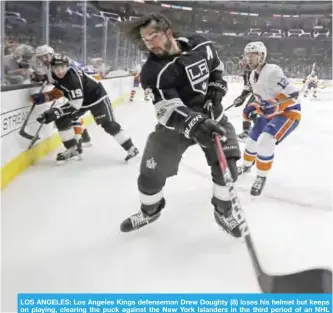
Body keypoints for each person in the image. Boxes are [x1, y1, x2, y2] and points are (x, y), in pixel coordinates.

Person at [120, 14, 241, 237]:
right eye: (146, 40)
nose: (150, 43)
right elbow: (166, 108)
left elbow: (216, 66)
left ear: (168, 32)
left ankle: (223, 212)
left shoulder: (201, 44)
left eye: (153, 36)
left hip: (214, 119)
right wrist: (194, 123)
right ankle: (150, 210)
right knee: (149, 175)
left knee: (228, 168)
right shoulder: (153, 71)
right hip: (176, 128)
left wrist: (216, 85)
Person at [31, 54, 139, 163]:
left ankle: (131, 149)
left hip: (97, 98)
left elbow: (75, 105)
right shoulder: (52, 74)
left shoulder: (73, 79)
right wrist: (39, 79)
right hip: (81, 99)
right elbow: (58, 86)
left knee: (108, 124)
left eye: (62, 67)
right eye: (56, 68)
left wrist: (55, 111)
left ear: (68, 66)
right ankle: (72, 149)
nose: (59, 71)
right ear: (51, 68)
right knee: (62, 119)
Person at [238, 41, 301, 196]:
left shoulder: (273, 71)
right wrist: (253, 107)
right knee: (252, 139)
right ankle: (246, 165)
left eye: (253, 54)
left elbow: (292, 94)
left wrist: (271, 104)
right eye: (247, 55)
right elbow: (261, 99)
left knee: (266, 140)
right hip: (270, 113)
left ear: (262, 56)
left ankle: (261, 176)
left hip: (288, 113)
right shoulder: (252, 76)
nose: (249, 58)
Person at [32, 45, 92, 146]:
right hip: (78, 86)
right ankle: (85, 138)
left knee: (73, 113)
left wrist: (48, 94)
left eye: (45, 56)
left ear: (51, 54)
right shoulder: (53, 63)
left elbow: (69, 81)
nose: (43, 59)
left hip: (85, 86)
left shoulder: (61, 62)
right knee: (74, 113)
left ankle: (79, 140)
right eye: (40, 57)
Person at [233, 57, 257, 142]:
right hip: (257, 93)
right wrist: (241, 98)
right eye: (241, 62)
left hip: (264, 93)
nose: (242, 64)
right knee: (250, 111)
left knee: (249, 110)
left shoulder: (258, 70)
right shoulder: (246, 73)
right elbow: (247, 88)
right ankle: (252, 132)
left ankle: (250, 133)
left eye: (244, 61)